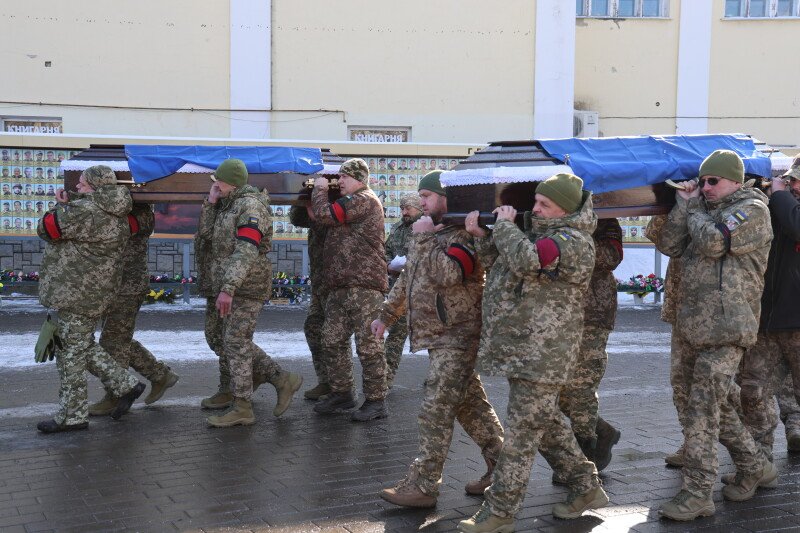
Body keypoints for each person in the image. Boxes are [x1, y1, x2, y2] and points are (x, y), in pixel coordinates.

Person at [459, 173, 608, 532]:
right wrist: (483, 237)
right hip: (524, 349)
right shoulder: (540, 234)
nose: (536, 208)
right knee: (547, 424)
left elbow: (528, 261)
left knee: (522, 434)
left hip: (544, 355)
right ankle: (586, 487)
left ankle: (500, 511)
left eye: (545, 204)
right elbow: (504, 267)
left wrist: (505, 226)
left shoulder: (571, 240)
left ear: (565, 210)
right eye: (536, 202)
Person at [374, 170, 504, 508]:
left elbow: (449, 274)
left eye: (427, 197)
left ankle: (424, 485)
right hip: (439, 335)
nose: (421, 203)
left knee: (436, 409)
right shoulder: (433, 232)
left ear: (447, 198)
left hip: (457, 333)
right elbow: (410, 278)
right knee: (470, 406)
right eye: (420, 197)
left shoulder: (462, 234)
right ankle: (503, 470)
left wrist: (422, 239)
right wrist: (387, 315)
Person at [656, 150, 774, 521]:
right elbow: (669, 244)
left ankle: (697, 493)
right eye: (702, 181)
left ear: (735, 181)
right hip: (692, 326)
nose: (705, 187)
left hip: (727, 328)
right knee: (714, 406)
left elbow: (713, 243)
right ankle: (754, 466)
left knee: (702, 410)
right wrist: (683, 204)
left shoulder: (752, 210)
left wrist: (693, 208)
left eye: (713, 181)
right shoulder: (702, 209)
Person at [35, 165, 145, 433]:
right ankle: (126, 385)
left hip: (75, 293)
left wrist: (60, 205)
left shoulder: (84, 211)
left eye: (82, 183)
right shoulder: (118, 213)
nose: (77, 187)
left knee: (70, 355)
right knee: (80, 346)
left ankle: (72, 416)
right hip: (94, 293)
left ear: (95, 187)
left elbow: (47, 229)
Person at [195, 159, 303, 427]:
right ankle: (276, 379)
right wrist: (211, 203)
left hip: (245, 286)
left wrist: (228, 288)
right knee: (218, 338)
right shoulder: (227, 204)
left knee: (236, 341)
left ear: (231, 182)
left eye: (218, 181)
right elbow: (207, 236)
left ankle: (243, 405)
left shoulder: (250, 207)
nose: (215, 185)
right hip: (225, 283)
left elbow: (246, 249)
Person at [310, 158, 389, 422]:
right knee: (331, 340)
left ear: (359, 179)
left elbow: (326, 214)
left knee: (368, 346)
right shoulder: (349, 200)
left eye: (345, 177)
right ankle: (342, 393)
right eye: (339, 176)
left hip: (364, 286)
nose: (339, 181)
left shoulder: (364, 199)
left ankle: (376, 401)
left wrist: (320, 189)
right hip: (340, 286)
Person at [88, 203, 180, 416]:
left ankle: (116, 395)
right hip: (112, 284)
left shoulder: (141, 212)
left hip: (128, 285)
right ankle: (160, 375)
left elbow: (115, 229)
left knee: (114, 341)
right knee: (119, 339)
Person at [737, 157, 800, 463]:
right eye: (791, 180)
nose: (793, 185)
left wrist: (780, 195)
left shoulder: (785, 204)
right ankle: (757, 464)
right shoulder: (778, 206)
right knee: (753, 392)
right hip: (767, 321)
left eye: (797, 181)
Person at [551, 218, 623, 483]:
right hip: (556, 315)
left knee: (581, 389)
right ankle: (602, 431)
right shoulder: (550, 219)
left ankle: (583, 461)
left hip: (592, 314)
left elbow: (610, 257)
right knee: (560, 393)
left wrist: (569, 239)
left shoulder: (604, 220)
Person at [289, 198, 353, 401]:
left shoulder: (340, 204)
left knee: (336, 335)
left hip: (337, 283)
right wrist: (304, 198)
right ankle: (326, 381)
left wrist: (320, 203)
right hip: (319, 282)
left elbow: (331, 222)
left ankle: (342, 387)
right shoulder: (316, 204)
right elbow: (296, 219)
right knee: (313, 328)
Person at [382, 192, 422, 388]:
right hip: (400, 290)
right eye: (402, 208)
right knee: (396, 333)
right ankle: (386, 378)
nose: (404, 212)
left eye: (408, 208)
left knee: (434, 336)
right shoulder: (398, 228)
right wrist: (389, 264)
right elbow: (386, 250)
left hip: (423, 291)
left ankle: (440, 375)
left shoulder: (427, 227)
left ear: (419, 208)